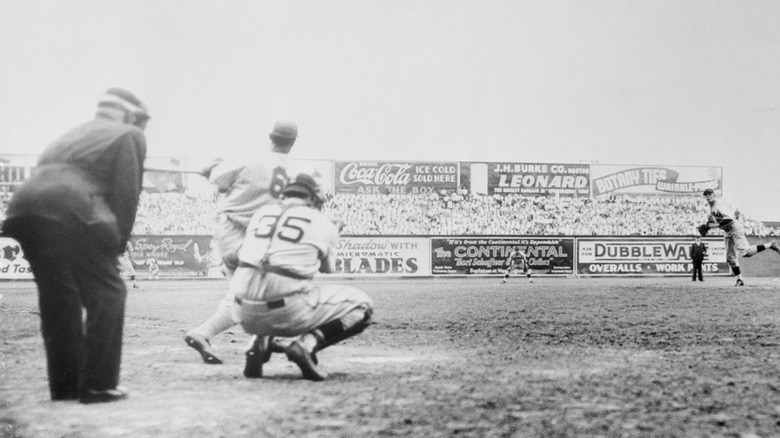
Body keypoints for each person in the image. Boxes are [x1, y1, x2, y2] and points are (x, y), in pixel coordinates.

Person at [0, 88, 149, 403]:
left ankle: (65, 385)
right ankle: (98, 384)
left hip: (23, 207)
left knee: (59, 298)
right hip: (73, 207)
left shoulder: (69, 135)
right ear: (131, 115)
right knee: (109, 291)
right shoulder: (129, 134)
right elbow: (126, 195)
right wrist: (116, 246)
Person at [231, 173, 373, 381]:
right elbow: (327, 269)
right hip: (286, 311)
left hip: (241, 310)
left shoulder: (262, 212)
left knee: (271, 278)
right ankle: (305, 345)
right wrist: (334, 231)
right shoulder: (322, 221)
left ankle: (257, 343)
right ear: (312, 198)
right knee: (362, 306)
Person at [184, 121, 297, 364]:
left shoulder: (250, 159)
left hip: (230, 232)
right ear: (292, 142)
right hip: (256, 240)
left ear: (270, 137)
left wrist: (210, 169)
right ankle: (205, 333)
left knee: (258, 293)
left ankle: (262, 339)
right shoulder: (295, 173)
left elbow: (219, 180)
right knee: (248, 295)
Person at [702, 188, 779, 286]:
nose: (708, 196)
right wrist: (707, 226)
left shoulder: (719, 205)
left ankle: (770, 244)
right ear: (704, 197)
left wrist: (715, 225)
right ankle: (739, 279)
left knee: (746, 252)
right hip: (727, 231)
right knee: (730, 257)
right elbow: (713, 221)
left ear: (714, 195)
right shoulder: (708, 209)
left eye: (710, 194)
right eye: (706, 195)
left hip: (734, 227)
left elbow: (729, 219)